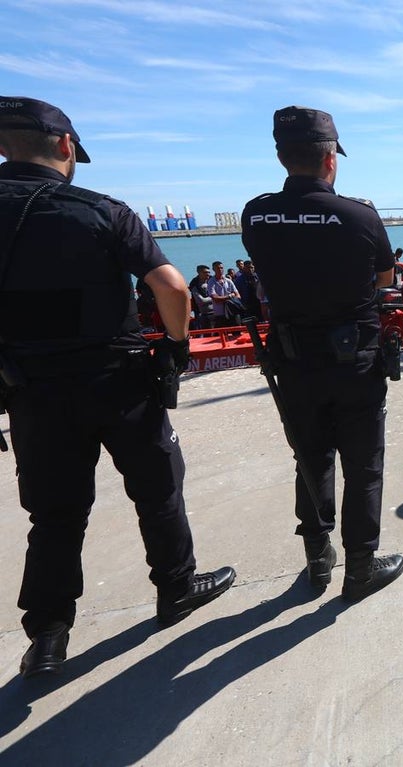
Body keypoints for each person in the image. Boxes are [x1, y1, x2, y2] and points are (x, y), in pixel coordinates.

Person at [0, 97, 235, 677]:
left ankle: (48, 639)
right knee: (158, 489)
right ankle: (176, 589)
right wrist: (176, 349)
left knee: (54, 514)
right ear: (64, 146)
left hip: (32, 391)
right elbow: (172, 289)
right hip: (118, 381)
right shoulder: (102, 211)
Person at [241, 105, 403, 601]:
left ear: (280, 155)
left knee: (310, 458)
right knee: (363, 465)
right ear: (331, 159)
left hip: (292, 362)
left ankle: (317, 557)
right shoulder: (359, 214)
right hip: (354, 360)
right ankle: (360, 568)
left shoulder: (256, 213)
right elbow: (384, 278)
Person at [207, 260, 240, 328]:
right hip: (220, 313)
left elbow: (238, 296)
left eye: (221, 268)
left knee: (236, 331)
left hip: (232, 311)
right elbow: (215, 298)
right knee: (223, 333)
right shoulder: (211, 282)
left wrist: (223, 298)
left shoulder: (228, 281)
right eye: (218, 268)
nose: (220, 270)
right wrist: (230, 296)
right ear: (213, 269)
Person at [188, 264, 212, 329]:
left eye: (209, 272)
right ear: (199, 273)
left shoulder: (212, 280)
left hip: (216, 312)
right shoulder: (194, 283)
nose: (208, 274)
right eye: (205, 272)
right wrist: (215, 298)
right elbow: (201, 301)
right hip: (201, 313)